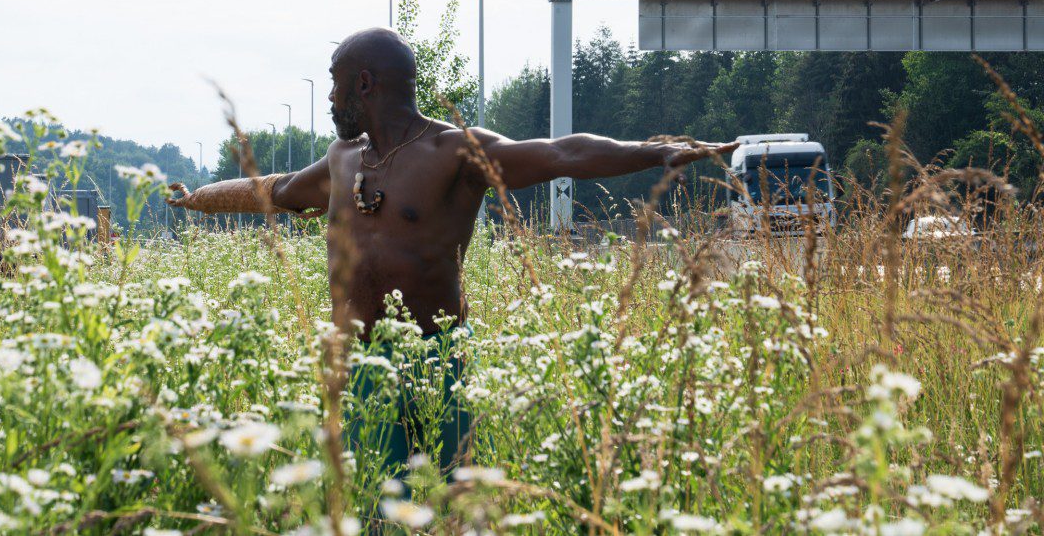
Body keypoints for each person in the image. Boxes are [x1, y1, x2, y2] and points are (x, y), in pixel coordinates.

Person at [167, 27, 735, 480]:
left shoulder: (455, 151)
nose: (332, 98)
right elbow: (275, 190)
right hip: (360, 364)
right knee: (375, 508)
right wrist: (199, 199)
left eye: (336, 85)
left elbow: (561, 153)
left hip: (438, 360)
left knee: (454, 498)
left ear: (364, 84)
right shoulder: (342, 158)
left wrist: (655, 153)